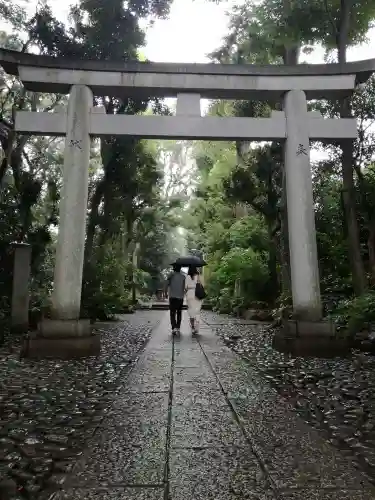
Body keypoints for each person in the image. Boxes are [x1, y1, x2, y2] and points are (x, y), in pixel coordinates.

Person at [166, 263, 186, 335]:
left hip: (172, 297)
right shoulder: (183, 276)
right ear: (180, 269)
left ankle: (174, 327)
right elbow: (184, 288)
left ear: (174, 268)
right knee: (179, 312)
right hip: (180, 297)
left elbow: (167, 284)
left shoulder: (171, 276)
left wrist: (165, 293)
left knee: (172, 313)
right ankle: (178, 327)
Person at [185, 265, 203, 334]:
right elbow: (202, 285)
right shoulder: (198, 276)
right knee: (197, 311)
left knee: (191, 311)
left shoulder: (187, 277)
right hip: (197, 294)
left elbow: (185, 287)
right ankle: (197, 328)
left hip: (189, 294)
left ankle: (192, 327)